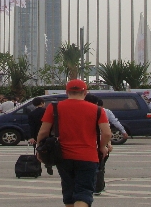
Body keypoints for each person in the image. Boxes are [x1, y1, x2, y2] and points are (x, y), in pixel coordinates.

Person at [36, 79, 112, 207]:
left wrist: (39, 149)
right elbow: (107, 133)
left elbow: (43, 132)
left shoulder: (54, 107)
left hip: (63, 156)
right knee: (83, 191)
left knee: (69, 192)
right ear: (85, 92)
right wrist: (102, 147)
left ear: (67, 92)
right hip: (88, 156)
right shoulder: (97, 110)